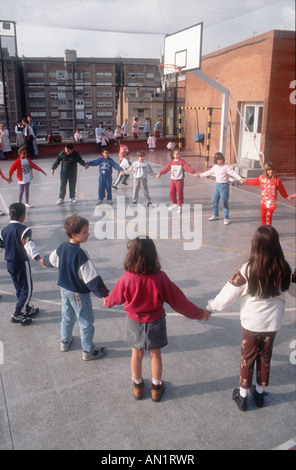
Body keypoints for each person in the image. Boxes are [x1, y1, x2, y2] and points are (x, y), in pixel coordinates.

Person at [104, 237, 210, 401]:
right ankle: (156, 387)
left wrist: (108, 301)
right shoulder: (160, 277)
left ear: (131, 256)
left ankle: (138, 386)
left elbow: (116, 297)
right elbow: (178, 301)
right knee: (155, 354)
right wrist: (198, 313)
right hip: (155, 322)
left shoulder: (126, 277)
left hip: (134, 322)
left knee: (136, 354)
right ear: (153, 256)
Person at [205, 225, 295, 411]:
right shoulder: (285, 266)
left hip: (251, 324)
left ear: (256, 245)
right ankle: (260, 392)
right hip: (272, 323)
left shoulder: (247, 269)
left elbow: (228, 293)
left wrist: (212, 307)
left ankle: (243, 395)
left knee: (247, 357)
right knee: (265, 356)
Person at [43, 215, 109, 360]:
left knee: (67, 315)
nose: (88, 234)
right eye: (85, 232)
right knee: (85, 321)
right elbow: (91, 277)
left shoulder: (62, 247)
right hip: (79, 293)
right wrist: (104, 294)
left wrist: (43, 261)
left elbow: (51, 260)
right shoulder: (80, 253)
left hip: (64, 290)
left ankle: (65, 342)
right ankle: (88, 350)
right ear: (74, 234)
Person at [0, 202, 45, 325]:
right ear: (23, 216)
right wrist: (38, 259)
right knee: (27, 290)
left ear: (10, 215)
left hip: (10, 264)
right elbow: (29, 246)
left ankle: (26, 308)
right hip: (21, 263)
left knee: (18, 287)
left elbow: (0, 246)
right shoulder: (24, 230)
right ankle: (17, 313)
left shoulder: (3, 231)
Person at [196, 152, 244, 225]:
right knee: (214, 201)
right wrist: (200, 175)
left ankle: (226, 218)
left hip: (224, 186)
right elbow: (208, 172)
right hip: (217, 186)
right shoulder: (215, 167)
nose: (220, 161)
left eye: (221, 159)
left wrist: (240, 178)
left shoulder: (226, 167)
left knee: (224, 202)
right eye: (218, 160)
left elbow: (233, 173)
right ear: (216, 160)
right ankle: (215, 215)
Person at [241, 161, 293, 226]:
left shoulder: (276, 180)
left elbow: (281, 189)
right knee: (262, 217)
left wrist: (286, 196)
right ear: (265, 170)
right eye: (269, 170)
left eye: (272, 170)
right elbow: (254, 181)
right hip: (263, 202)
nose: (271, 172)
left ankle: (268, 230)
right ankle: (263, 229)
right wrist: (245, 181)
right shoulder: (262, 179)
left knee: (268, 217)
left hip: (271, 203)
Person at [156, 149, 199, 214]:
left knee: (179, 193)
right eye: (176, 154)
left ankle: (180, 206)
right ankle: (174, 204)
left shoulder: (182, 162)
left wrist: (194, 172)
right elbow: (166, 169)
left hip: (179, 180)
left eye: (179, 154)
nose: (178, 155)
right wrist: (160, 173)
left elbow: (187, 168)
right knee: (171, 192)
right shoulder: (171, 162)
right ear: (173, 155)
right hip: (173, 180)